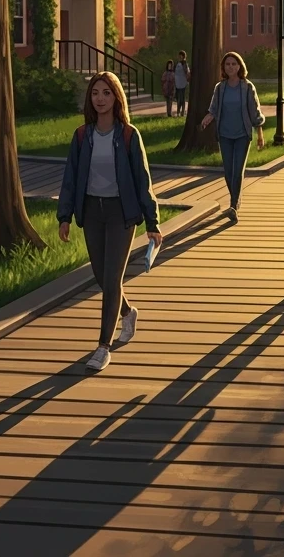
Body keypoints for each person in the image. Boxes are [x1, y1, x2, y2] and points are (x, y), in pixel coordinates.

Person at [58, 71, 163, 372]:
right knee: (102, 277)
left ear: (116, 97)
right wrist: (64, 216)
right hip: (91, 211)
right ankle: (127, 313)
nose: (100, 99)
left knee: (113, 278)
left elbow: (143, 181)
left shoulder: (129, 135)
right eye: (95, 93)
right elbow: (70, 178)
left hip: (120, 213)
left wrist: (153, 223)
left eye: (106, 93)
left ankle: (103, 346)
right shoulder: (81, 136)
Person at [201, 51, 266, 220]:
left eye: (234, 64)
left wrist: (259, 133)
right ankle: (235, 201)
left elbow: (255, 112)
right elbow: (213, 109)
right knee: (228, 172)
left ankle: (233, 205)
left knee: (237, 171)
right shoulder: (220, 88)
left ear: (239, 66)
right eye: (227, 64)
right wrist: (207, 119)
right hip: (224, 135)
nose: (230, 67)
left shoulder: (247, 87)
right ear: (223, 67)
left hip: (242, 135)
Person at [174, 50, 190, 116]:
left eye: (181, 56)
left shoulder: (184, 64)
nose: (180, 57)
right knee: (178, 98)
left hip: (183, 83)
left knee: (182, 98)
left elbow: (187, 72)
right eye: (179, 56)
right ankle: (178, 111)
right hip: (177, 83)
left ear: (183, 56)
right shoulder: (177, 64)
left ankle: (182, 112)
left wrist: (187, 80)